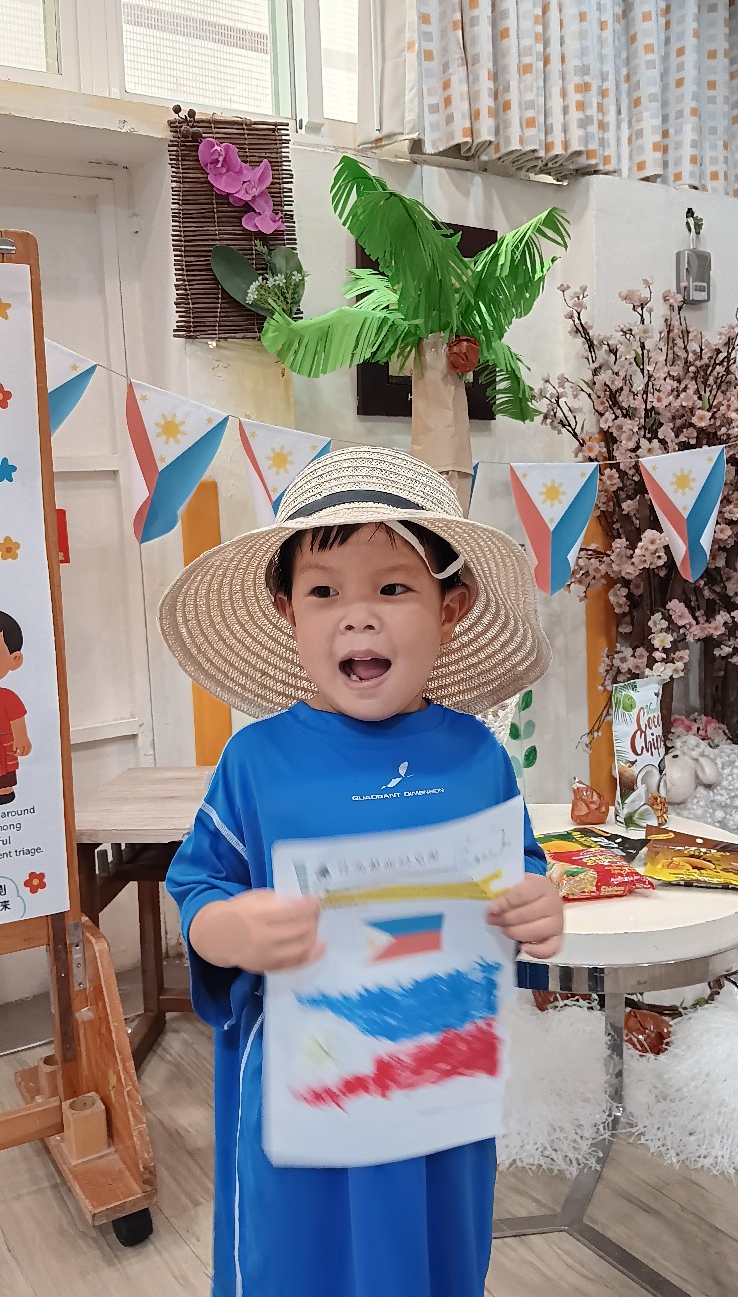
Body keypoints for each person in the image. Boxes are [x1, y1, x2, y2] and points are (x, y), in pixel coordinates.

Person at [161, 445, 564, 1297]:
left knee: (436, 1261)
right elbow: (198, 886)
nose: (357, 618)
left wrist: (534, 904)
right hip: (306, 1090)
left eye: (391, 588)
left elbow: (517, 871)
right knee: (300, 1265)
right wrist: (225, 928)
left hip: (439, 1091)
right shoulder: (255, 762)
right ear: (287, 612)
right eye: (323, 592)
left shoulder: (476, 756)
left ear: (449, 608)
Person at [0, 612, 31, 804]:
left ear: (15, 660)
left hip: (2, 744)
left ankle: (4, 792)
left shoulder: (7, 697)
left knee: (4, 773)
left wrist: (21, 738)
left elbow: (16, 719)